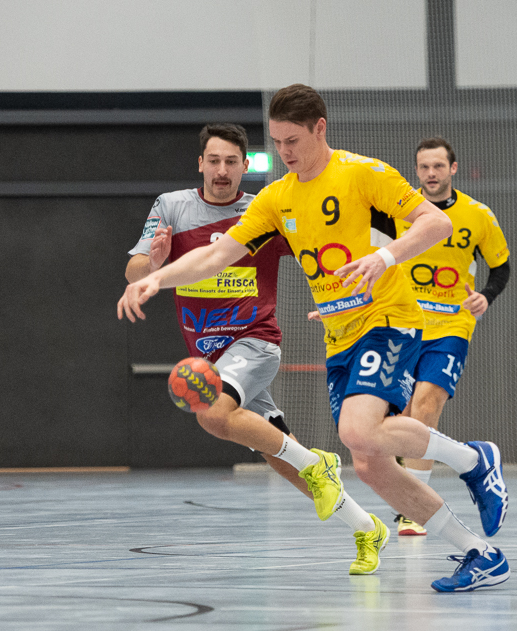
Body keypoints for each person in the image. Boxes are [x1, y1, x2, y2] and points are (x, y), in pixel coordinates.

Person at [118, 86, 510, 593]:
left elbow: (436, 222)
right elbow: (217, 255)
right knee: (369, 463)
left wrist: (384, 257)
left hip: (388, 316)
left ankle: (475, 460)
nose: (284, 151)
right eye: (277, 141)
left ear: (320, 128)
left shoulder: (363, 172)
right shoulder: (277, 198)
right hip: (339, 334)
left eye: (293, 140)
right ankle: (479, 553)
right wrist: (156, 278)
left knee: (357, 433)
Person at [124, 123, 387, 575]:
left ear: (245, 166)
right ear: (200, 163)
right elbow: (134, 271)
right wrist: (156, 263)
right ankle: (367, 528)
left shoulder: (265, 210)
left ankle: (319, 462)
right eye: (214, 160)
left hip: (255, 341)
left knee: (211, 413)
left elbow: (323, 253)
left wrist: (347, 294)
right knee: (281, 457)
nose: (222, 170)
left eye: (231, 162)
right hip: (211, 356)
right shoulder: (172, 207)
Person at [386, 137, 511, 537]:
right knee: (399, 418)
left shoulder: (477, 214)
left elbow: (501, 267)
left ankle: (415, 509)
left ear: (453, 169)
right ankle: (415, 483)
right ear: (416, 170)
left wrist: (486, 295)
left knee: (426, 406)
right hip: (402, 322)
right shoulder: (396, 212)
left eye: (438, 166)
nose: (431, 174)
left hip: (451, 325)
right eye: (424, 167)